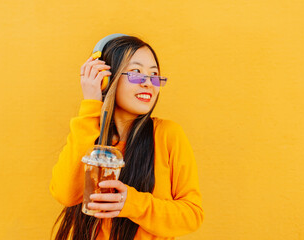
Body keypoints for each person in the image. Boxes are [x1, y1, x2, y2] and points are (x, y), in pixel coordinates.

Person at [49, 35, 204, 240]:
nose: (148, 83)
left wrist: (130, 203)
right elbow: (65, 194)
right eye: (136, 73)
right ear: (105, 79)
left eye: (154, 75)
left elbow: (192, 215)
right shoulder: (88, 133)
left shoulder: (168, 135)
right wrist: (90, 104)